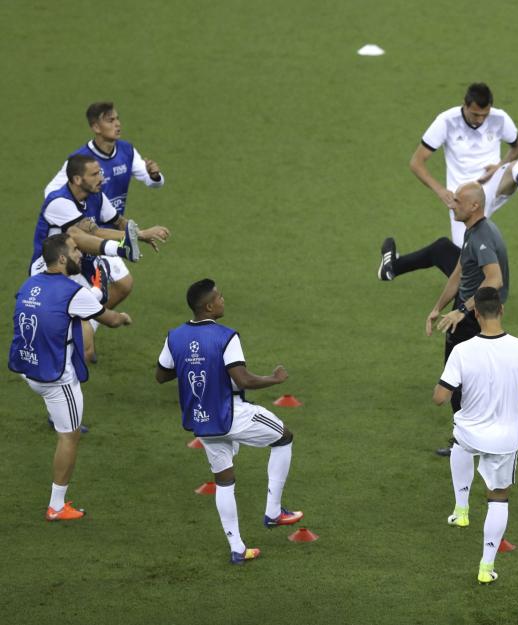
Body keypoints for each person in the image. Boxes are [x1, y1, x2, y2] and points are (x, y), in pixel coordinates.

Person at [156, 279, 303, 565]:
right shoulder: (225, 336)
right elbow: (243, 379)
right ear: (209, 306)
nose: (223, 299)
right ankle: (273, 512)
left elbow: (161, 375)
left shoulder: (175, 336)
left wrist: (193, 364)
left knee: (224, 481)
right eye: (219, 297)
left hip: (203, 421)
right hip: (233, 414)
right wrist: (275, 379)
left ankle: (238, 548)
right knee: (284, 436)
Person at [433, 287, 518, 584]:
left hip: (470, 431)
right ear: (501, 310)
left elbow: (440, 398)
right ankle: (485, 568)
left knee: (460, 440)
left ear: (476, 313)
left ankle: (461, 507)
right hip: (504, 441)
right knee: (498, 498)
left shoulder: (462, 351)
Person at [377, 82, 518, 281]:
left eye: (484, 115)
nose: (480, 120)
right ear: (465, 104)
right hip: (462, 199)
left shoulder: (500, 118)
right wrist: (440, 190)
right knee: (465, 270)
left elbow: (517, 146)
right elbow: (416, 162)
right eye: (475, 114)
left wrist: (499, 166)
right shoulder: (446, 121)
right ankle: (394, 265)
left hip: (490, 187)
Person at [7, 234, 132, 521]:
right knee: (70, 435)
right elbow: (110, 320)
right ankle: (57, 506)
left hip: (29, 369)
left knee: (80, 339)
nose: (80, 254)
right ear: (62, 258)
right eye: (76, 250)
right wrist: (123, 317)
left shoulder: (30, 283)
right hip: (56, 379)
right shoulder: (73, 292)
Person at [45, 102, 166, 308]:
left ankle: (87, 323)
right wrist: (74, 211)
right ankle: (82, 324)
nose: (117, 124)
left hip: (109, 229)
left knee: (122, 285)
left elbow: (151, 181)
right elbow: (50, 192)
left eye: (117, 119)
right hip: (84, 235)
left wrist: (154, 176)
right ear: (95, 127)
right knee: (83, 294)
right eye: (110, 120)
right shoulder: (80, 161)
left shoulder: (126, 151)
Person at [425, 182, 509, 456]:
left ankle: (466, 442)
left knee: (459, 381)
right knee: (469, 379)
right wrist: (438, 306)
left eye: (458, 201)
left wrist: (461, 311)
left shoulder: (482, 237)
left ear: (475, 206)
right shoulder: (473, 232)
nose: (452, 203)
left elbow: (495, 279)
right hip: (471, 311)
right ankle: (473, 438)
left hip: (472, 316)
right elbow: (459, 274)